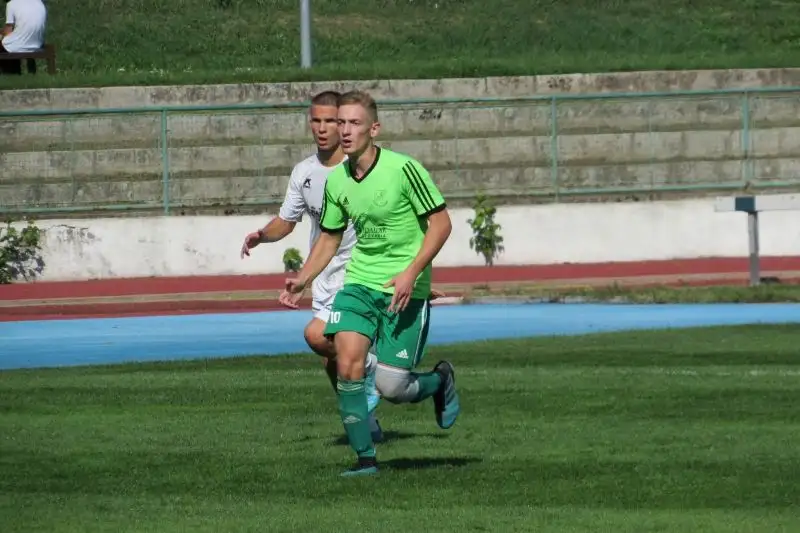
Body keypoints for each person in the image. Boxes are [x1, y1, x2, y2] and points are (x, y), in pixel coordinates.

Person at [284, 90, 461, 477]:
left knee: (393, 387)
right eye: (340, 122)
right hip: (360, 283)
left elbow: (441, 223)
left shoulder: (403, 169)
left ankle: (439, 380)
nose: (344, 131)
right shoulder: (338, 182)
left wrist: (411, 272)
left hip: (404, 289)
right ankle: (366, 461)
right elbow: (329, 238)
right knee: (347, 365)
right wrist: (303, 278)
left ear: (373, 128)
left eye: (353, 123)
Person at [240, 90, 385, 443]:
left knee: (318, 337)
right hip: (323, 276)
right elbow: (286, 220)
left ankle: (372, 373)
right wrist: (262, 234)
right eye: (315, 120)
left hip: (358, 274)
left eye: (330, 121)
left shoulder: (361, 169)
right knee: (328, 357)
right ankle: (366, 425)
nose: (322, 128)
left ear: (344, 123)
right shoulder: (304, 172)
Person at [1, 0, 47, 76]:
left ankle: (12, 73)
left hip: (20, 44)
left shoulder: (11, 4)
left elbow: (8, 29)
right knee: (14, 42)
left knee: (8, 45)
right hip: (37, 44)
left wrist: (2, 34)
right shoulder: (39, 2)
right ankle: (22, 73)